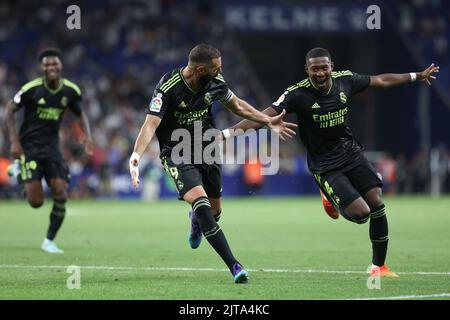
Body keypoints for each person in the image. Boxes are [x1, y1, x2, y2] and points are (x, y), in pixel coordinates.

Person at [223, 47, 439, 277]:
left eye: (323, 68)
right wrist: (226, 134)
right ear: (307, 69)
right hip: (324, 164)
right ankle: (329, 197)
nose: (319, 73)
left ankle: (378, 267)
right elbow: (263, 114)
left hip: (351, 153)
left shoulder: (345, 80)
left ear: (331, 67)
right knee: (360, 214)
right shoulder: (297, 94)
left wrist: (416, 76)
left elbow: (381, 80)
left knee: (377, 203)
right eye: (314, 69)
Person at [129, 44, 296, 283]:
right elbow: (150, 124)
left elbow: (238, 106)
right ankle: (235, 266)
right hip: (177, 153)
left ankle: (195, 222)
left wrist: (268, 121)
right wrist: (135, 156)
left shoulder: (216, 82)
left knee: (215, 211)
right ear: (198, 69)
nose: (220, 72)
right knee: (202, 204)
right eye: (216, 68)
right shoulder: (168, 87)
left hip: (207, 149)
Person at [5, 48, 93, 253]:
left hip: (52, 148)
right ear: (42, 68)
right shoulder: (31, 89)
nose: (51, 67)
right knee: (36, 202)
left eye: (54, 64)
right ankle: (20, 171)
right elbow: (10, 108)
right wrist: (14, 142)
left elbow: (81, 113)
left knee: (61, 193)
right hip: (29, 147)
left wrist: (87, 136)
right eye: (47, 65)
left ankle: (49, 241)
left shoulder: (70, 90)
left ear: (60, 66)